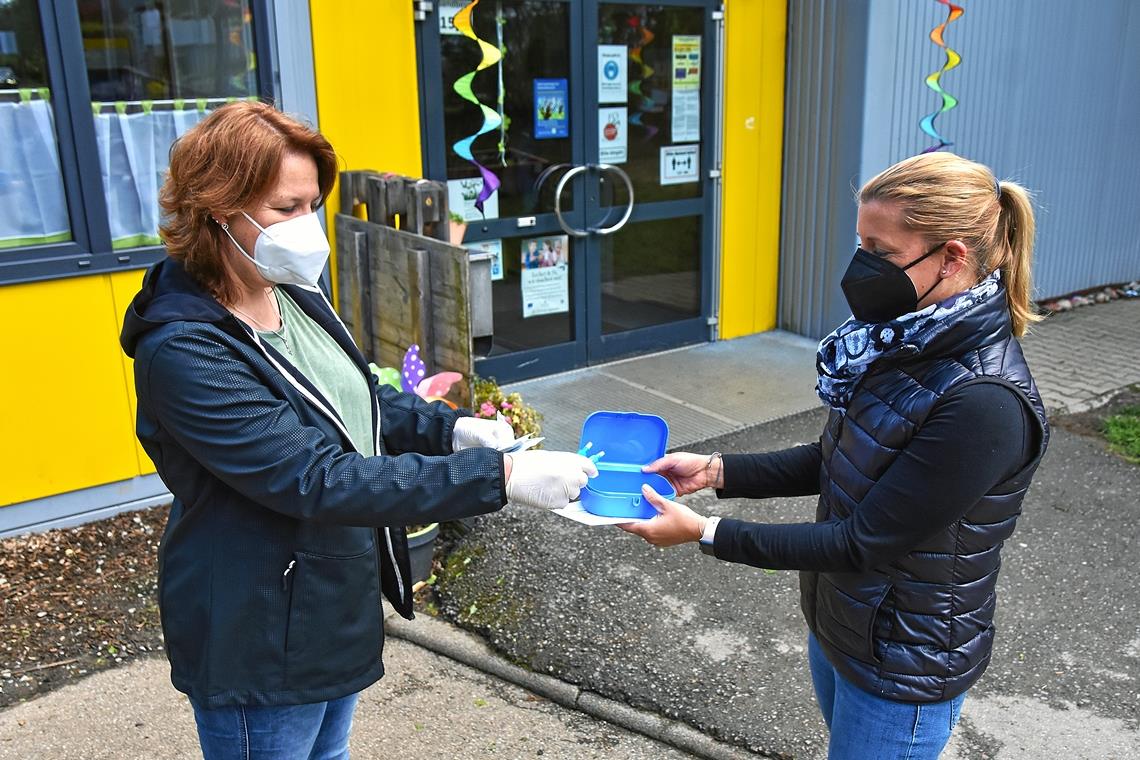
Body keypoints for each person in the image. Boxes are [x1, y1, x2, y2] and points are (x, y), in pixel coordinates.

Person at [119, 101, 596, 759]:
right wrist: (501, 476)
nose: (306, 227)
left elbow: (356, 400)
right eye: (285, 208)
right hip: (258, 628)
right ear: (215, 211)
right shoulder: (185, 352)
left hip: (326, 600)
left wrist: (453, 432)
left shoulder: (286, 288)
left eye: (312, 204)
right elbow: (314, 476)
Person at [620, 152, 1049, 759]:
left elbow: (864, 542)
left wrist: (705, 533)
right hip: (845, 626)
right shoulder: (904, 341)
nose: (861, 268)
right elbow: (838, 457)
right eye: (861, 244)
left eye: (882, 252)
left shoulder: (984, 403)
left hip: (904, 664)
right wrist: (717, 471)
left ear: (952, 257)